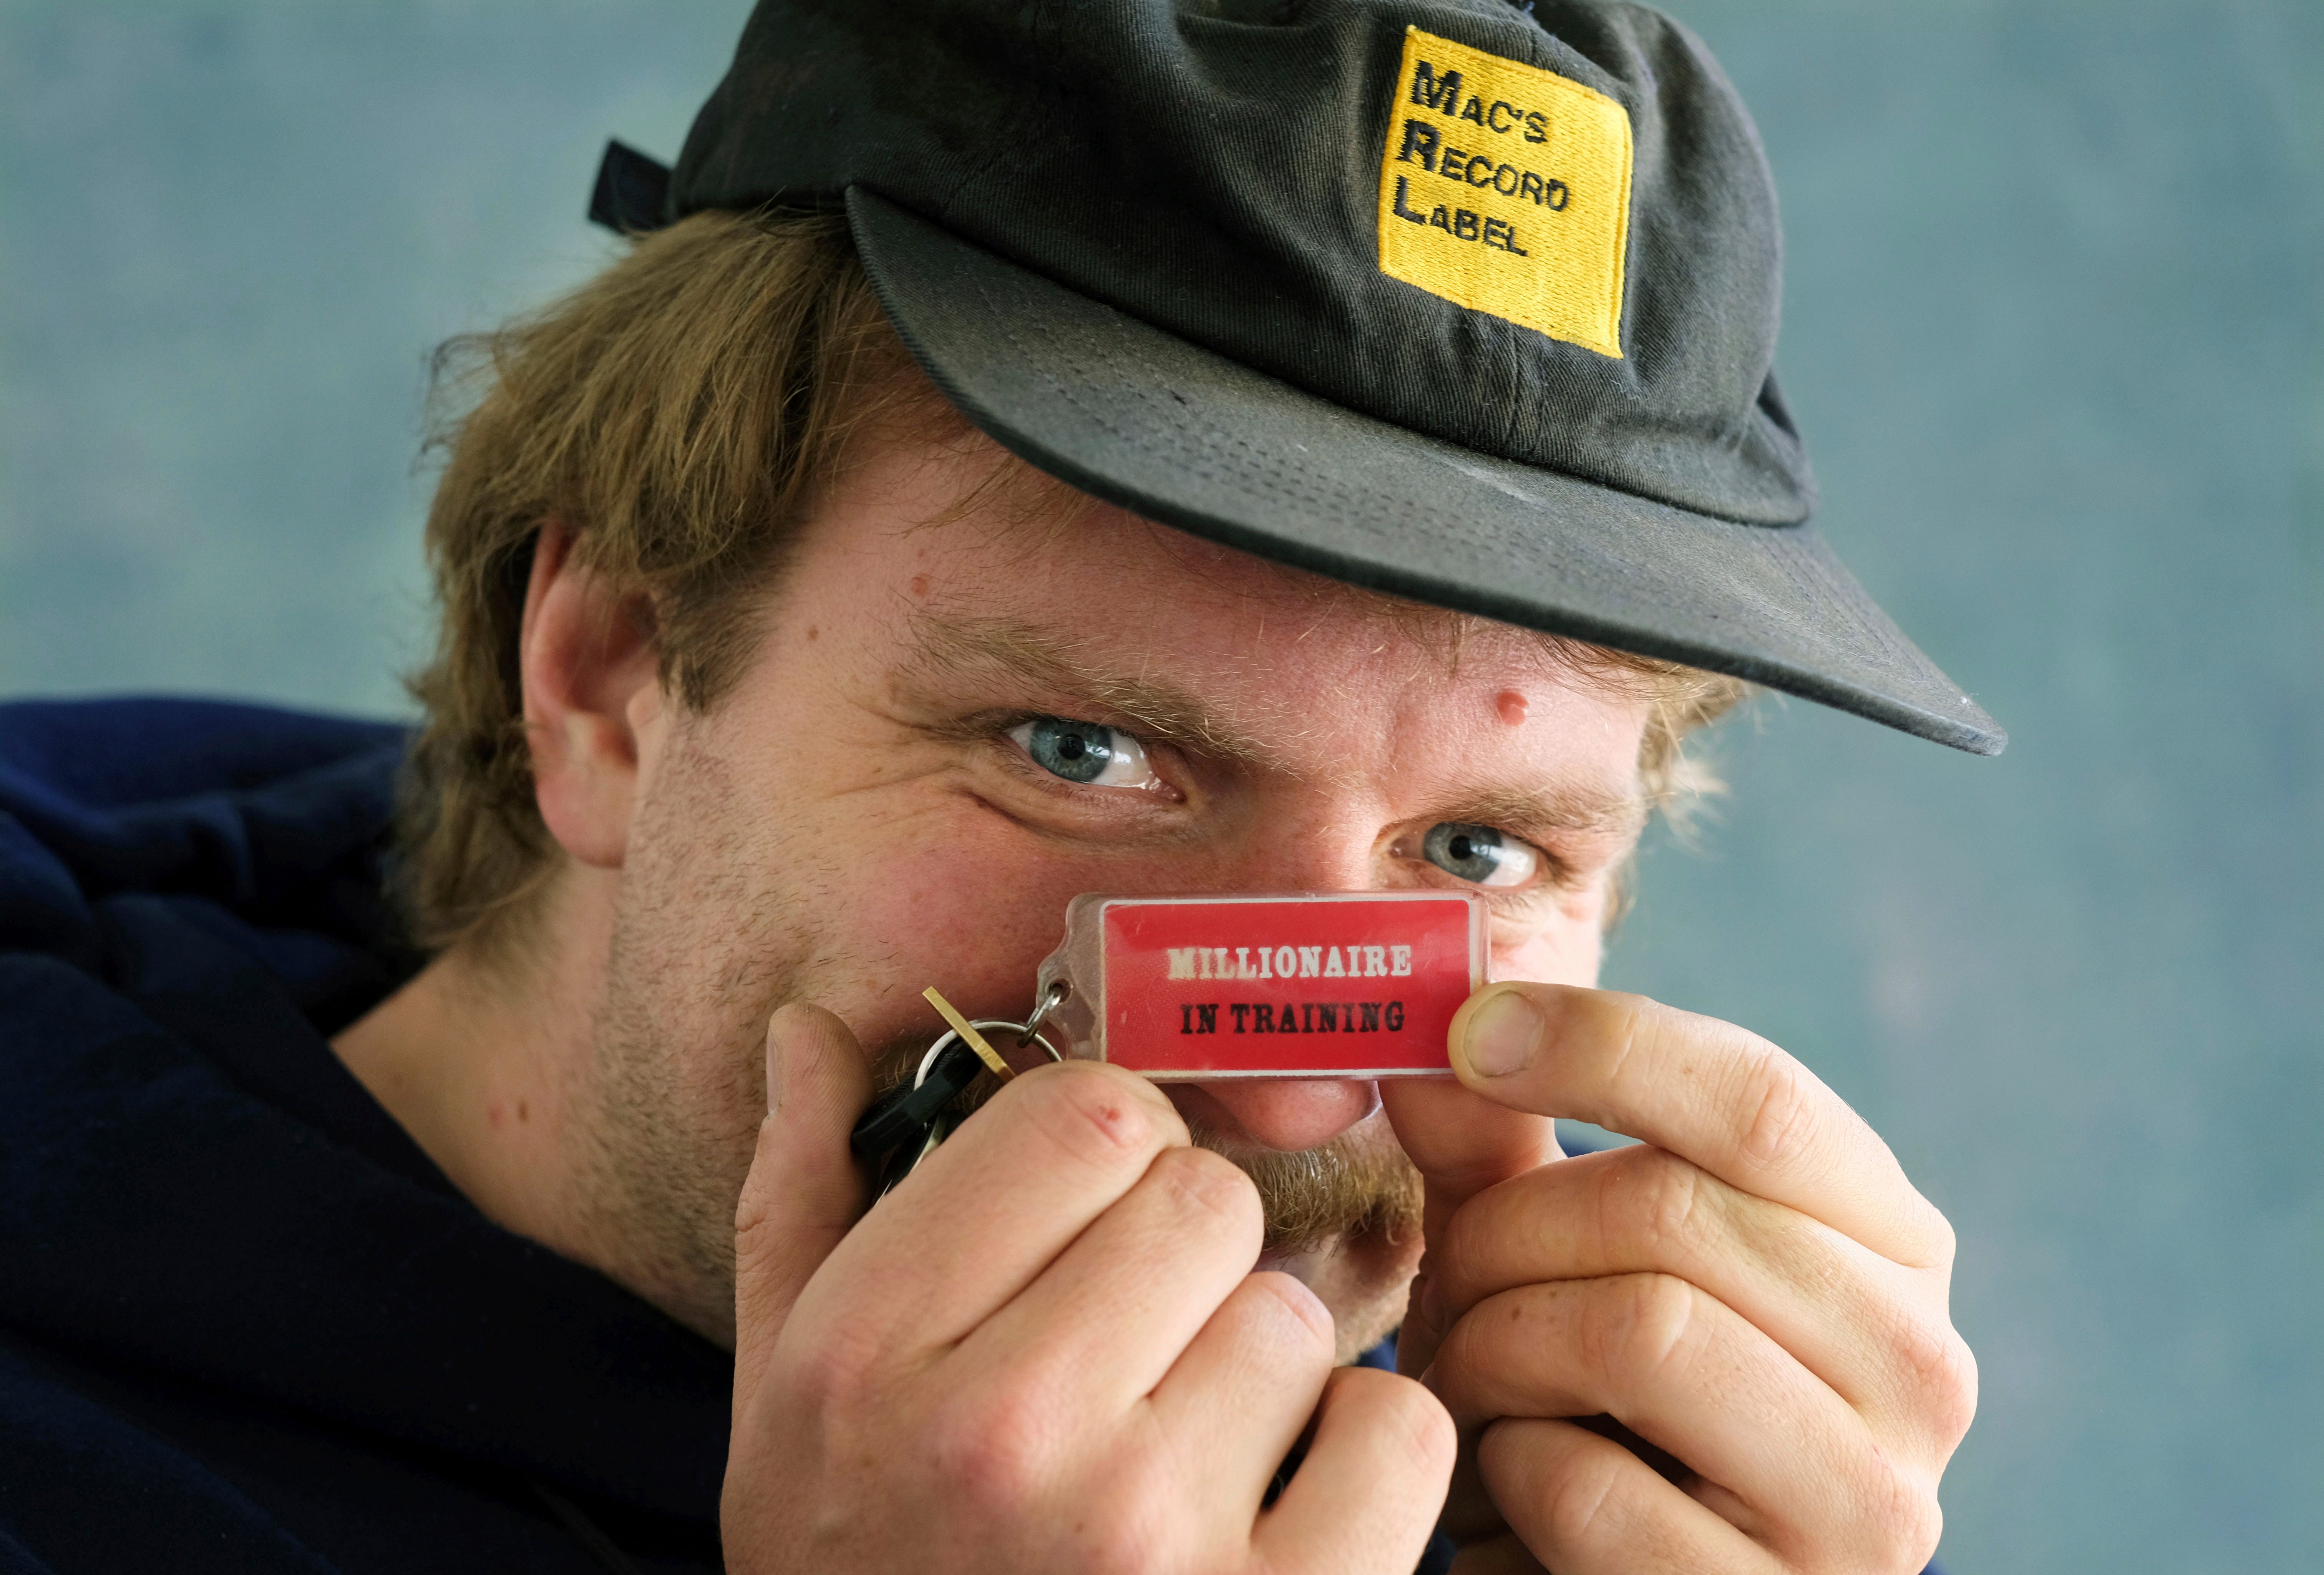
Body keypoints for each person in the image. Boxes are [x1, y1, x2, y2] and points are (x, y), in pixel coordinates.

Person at [0, 1, 1997, 1571]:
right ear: (606, 677)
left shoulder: (1513, 1495)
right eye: (1086, 752)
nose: (1288, 1082)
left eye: (1474, 846)